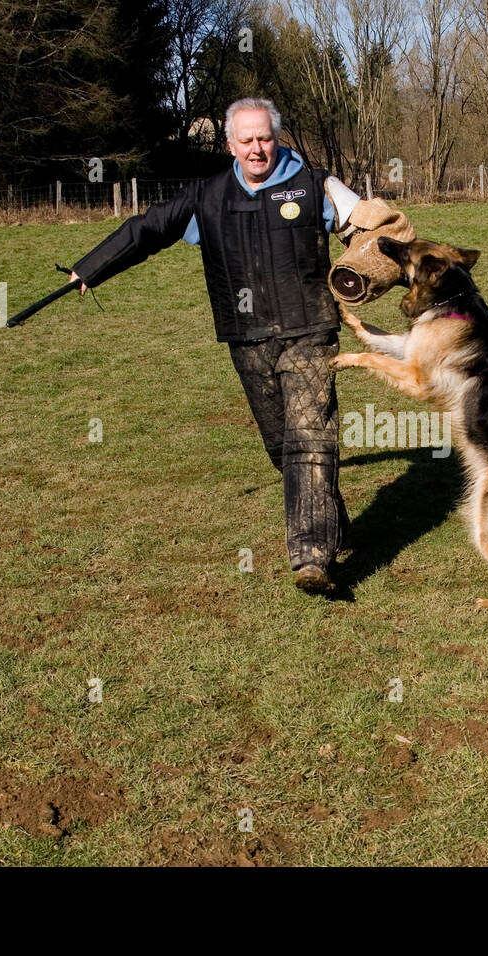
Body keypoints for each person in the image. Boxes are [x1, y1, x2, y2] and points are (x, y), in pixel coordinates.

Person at [67, 98, 365, 594]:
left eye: (264, 138)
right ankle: (330, 523)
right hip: (246, 338)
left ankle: (311, 556)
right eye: (245, 140)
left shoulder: (316, 187)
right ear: (230, 144)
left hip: (309, 331)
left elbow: (372, 233)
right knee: (282, 446)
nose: (256, 148)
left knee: (310, 437)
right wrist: (93, 266)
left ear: (278, 137)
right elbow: (149, 228)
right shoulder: (207, 198)